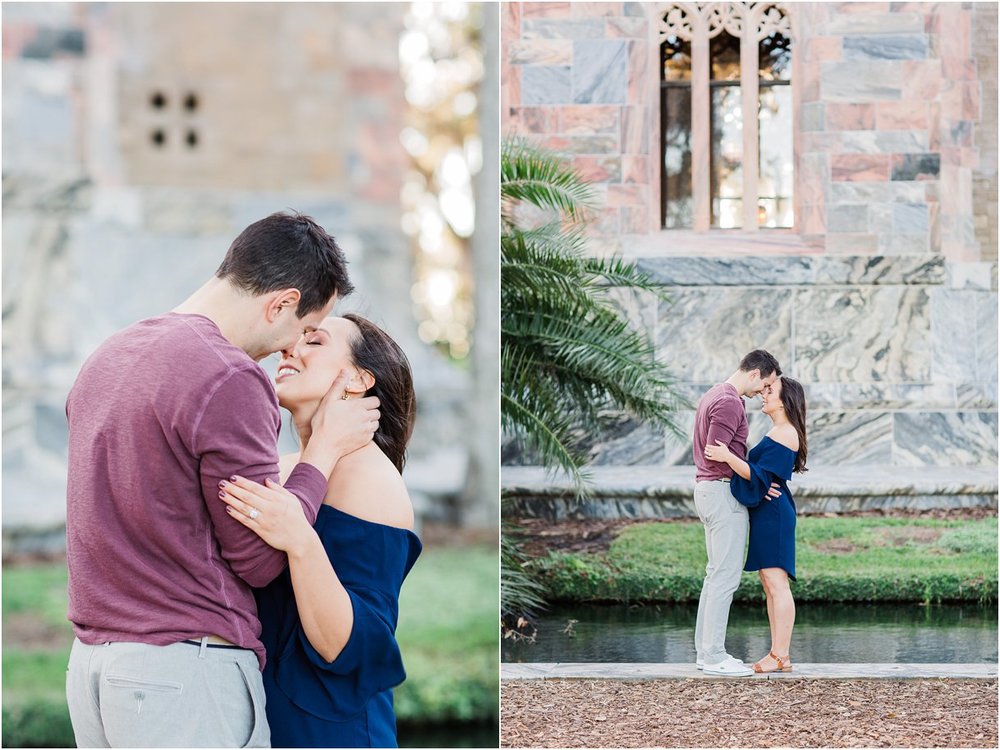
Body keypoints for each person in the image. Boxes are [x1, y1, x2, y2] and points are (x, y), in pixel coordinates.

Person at [65, 212, 381, 748]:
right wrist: (322, 451)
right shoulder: (228, 375)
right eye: (304, 329)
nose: (291, 348)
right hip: (182, 674)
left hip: (93, 669)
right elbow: (260, 561)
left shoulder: (109, 355)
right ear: (279, 303)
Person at [218, 313, 420, 748]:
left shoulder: (369, 478)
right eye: (296, 338)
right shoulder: (286, 469)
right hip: (258, 717)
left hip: (330, 729)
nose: (289, 347)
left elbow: (346, 645)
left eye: (315, 342)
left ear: (358, 378)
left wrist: (300, 540)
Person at [704, 375, 808, 674]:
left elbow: (760, 477)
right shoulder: (778, 430)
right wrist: (759, 478)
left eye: (770, 390)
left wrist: (726, 456)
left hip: (775, 515)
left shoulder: (787, 432)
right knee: (769, 583)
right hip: (767, 512)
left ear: (785, 400)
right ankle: (779, 654)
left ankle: (780, 654)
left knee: (777, 584)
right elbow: (763, 476)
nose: (764, 394)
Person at [691, 349, 781, 677]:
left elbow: (719, 451)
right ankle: (714, 656)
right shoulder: (730, 401)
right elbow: (717, 453)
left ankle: (706, 654)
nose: (763, 392)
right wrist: (755, 479)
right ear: (755, 373)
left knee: (715, 574)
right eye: (766, 384)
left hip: (708, 491)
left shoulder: (715, 393)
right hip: (721, 493)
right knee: (725, 577)